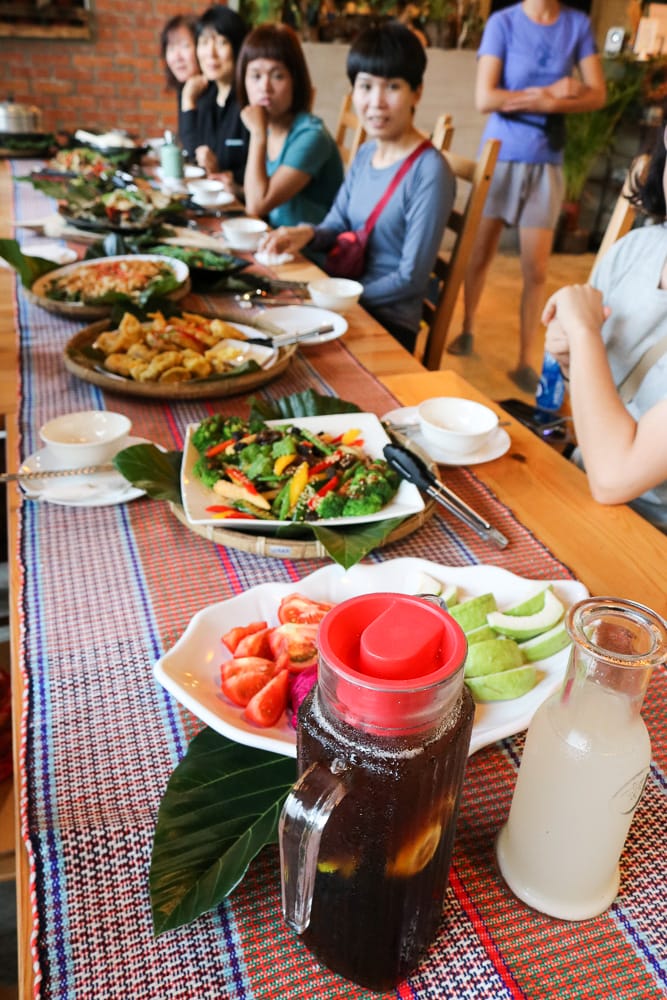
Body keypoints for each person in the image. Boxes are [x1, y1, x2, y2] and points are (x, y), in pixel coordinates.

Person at [258, 23, 455, 352]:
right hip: (348, 306)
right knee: (263, 327)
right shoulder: (366, 153)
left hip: (388, 323)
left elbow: (411, 280)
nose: (376, 102)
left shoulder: (430, 171)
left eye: (392, 86)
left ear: (416, 92)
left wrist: (336, 297)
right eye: (365, 86)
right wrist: (304, 233)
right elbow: (337, 224)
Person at [448, 0, 606, 395]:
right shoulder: (503, 23)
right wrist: (552, 97)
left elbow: (597, 94)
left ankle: (523, 358)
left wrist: (523, 98)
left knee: (535, 270)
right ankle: (466, 329)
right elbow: (485, 98)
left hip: (547, 160)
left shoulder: (577, 25)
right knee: (480, 253)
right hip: (500, 155)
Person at [541, 125, 667, 530]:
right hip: (580, 487)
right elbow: (592, 389)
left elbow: (614, 479)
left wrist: (583, 333)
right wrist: (568, 354)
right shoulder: (637, 249)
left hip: (649, 541)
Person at [236, 23, 344, 229]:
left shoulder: (312, 136)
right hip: (277, 245)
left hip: (311, 256)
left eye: (277, 76)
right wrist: (235, 188)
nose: (264, 87)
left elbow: (258, 205)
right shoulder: (270, 126)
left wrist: (258, 135)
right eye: (255, 76)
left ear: (296, 80)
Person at [179, 5, 249, 187]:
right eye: (203, 42)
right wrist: (188, 102)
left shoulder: (250, 100)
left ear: (238, 47)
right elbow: (193, 154)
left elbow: (266, 165)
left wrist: (228, 174)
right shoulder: (205, 96)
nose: (210, 53)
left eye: (221, 42)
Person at [160, 14, 199, 140]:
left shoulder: (217, 92)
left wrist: (188, 99)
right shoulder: (185, 88)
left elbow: (192, 150)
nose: (177, 57)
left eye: (185, 46)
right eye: (171, 48)